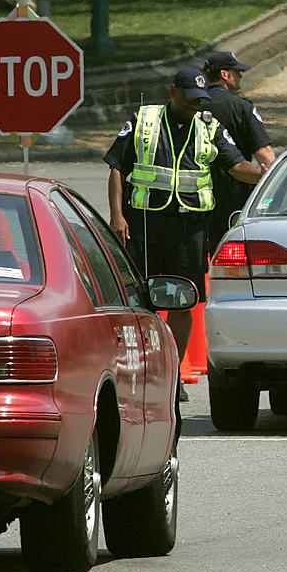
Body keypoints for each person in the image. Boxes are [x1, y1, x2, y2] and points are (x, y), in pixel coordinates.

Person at [105, 67, 264, 405]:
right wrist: (117, 216)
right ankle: (143, 373)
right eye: (190, 99)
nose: (195, 106)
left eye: (199, 101)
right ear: (173, 91)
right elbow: (118, 166)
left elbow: (237, 166)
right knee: (142, 302)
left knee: (182, 299)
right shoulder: (145, 121)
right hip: (146, 224)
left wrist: (267, 176)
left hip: (189, 228)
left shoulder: (208, 127)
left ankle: (173, 375)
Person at [201, 51, 275, 254]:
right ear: (224, 75)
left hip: (193, 197)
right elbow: (264, 154)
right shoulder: (241, 107)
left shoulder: (193, 105)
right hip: (233, 196)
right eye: (237, 72)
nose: (241, 76)